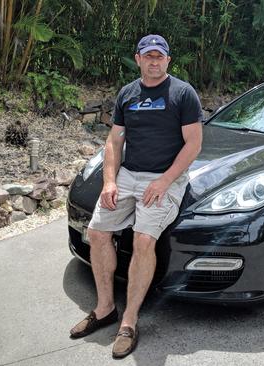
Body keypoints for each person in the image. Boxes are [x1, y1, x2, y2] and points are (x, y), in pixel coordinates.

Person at [69, 34, 203, 359]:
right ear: (138, 59)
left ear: (168, 60)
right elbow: (114, 142)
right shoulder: (127, 94)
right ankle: (104, 309)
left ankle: (129, 320)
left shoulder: (183, 94)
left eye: (160, 56)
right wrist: (110, 182)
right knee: (97, 233)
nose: (154, 61)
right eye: (148, 56)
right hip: (128, 174)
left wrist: (165, 181)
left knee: (145, 240)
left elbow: (193, 144)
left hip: (165, 176)